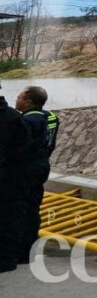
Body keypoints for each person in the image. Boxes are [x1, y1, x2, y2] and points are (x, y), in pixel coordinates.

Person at [13, 86, 57, 266]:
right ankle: (29, 248)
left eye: (19, 97)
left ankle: (20, 251)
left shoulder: (27, 120)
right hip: (42, 165)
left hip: (25, 168)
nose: (16, 100)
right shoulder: (51, 117)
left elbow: (18, 146)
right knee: (33, 207)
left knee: (21, 208)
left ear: (28, 101)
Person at [0, 92, 33, 273]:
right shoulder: (14, 117)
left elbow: (23, 149)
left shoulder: (13, 118)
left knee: (9, 218)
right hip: (11, 175)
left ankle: (7, 259)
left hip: (9, 177)